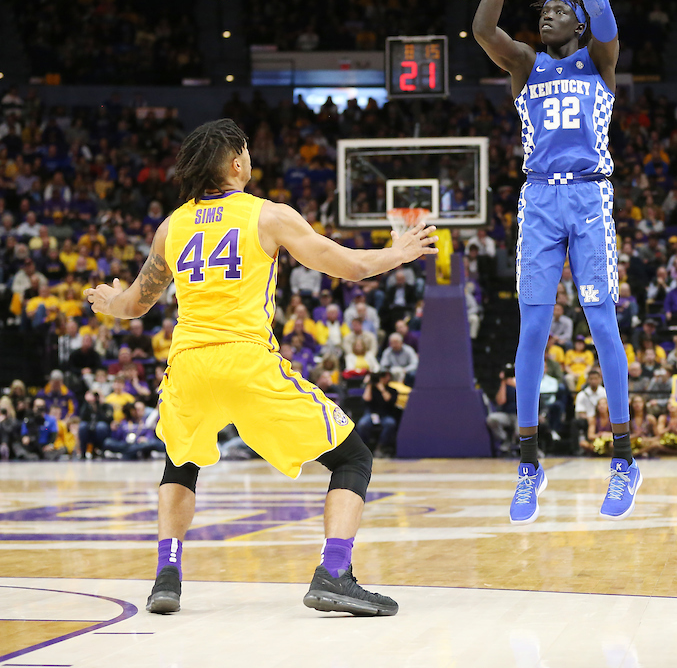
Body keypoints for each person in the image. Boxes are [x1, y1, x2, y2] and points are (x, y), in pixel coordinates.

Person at [85, 119, 437, 617]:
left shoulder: (172, 226)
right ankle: (335, 572)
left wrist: (105, 301)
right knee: (352, 458)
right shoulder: (267, 216)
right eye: (247, 150)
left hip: (187, 365)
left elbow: (134, 304)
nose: (251, 158)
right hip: (246, 360)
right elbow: (349, 266)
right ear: (235, 162)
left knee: (180, 463)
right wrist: (397, 252)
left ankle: (167, 575)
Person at [473, 0, 638, 523]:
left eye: (558, 10)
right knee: (533, 331)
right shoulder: (524, 67)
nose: (548, 16)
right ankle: (527, 466)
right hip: (540, 201)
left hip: (591, 200)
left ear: (578, 23)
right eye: (543, 14)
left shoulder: (600, 60)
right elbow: (483, 26)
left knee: (601, 324)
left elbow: (603, 14)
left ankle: (623, 460)